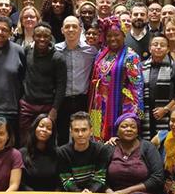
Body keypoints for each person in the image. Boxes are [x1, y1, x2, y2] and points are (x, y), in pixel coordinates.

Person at [88, 15, 144, 141]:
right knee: (97, 136)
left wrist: (137, 115)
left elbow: (137, 87)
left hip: (120, 104)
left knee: (116, 140)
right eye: (109, 35)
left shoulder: (130, 57)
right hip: (98, 104)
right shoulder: (102, 54)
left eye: (116, 35)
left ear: (124, 35)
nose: (112, 38)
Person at [104, 113, 164, 194]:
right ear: (117, 131)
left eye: (133, 127)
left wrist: (123, 192)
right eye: (124, 126)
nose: (129, 129)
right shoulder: (110, 148)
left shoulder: (147, 147)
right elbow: (99, 174)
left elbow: (157, 178)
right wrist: (108, 191)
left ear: (137, 131)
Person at [20, 22, 66, 145]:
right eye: (38, 35)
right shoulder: (26, 51)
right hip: (27, 105)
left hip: (47, 106)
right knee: (25, 140)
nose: (42, 39)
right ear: (33, 36)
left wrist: (54, 109)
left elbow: (61, 85)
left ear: (50, 37)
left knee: (45, 141)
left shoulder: (58, 58)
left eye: (45, 36)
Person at [55, 16, 98, 144]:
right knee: (62, 138)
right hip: (61, 101)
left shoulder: (91, 51)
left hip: (83, 100)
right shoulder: (55, 50)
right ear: (62, 30)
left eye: (74, 26)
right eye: (67, 27)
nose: (71, 29)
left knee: (84, 137)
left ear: (80, 30)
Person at [141, 35, 175, 140]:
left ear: (168, 49)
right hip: (144, 115)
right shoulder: (141, 66)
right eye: (155, 44)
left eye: (162, 45)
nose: (158, 47)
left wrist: (166, 109)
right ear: (150, 48)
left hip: (166, 115)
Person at [58, 112, 111, 192]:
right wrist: (79, 193)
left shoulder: (101, 150)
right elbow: (66, 180)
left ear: (91, 131)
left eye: (84, 130)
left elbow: (100, 178)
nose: (80, 134)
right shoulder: (63, 152)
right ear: (71, 132)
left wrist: (90, 191)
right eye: (76, 130)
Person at [20, 114, 61, 191]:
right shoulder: (22, 153)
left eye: (49, 128)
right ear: (35, 128)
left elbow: (60, 181)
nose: (44, 130)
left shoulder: (58, 153)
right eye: (41, 126)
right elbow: (20, 183)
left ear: (52, 133)